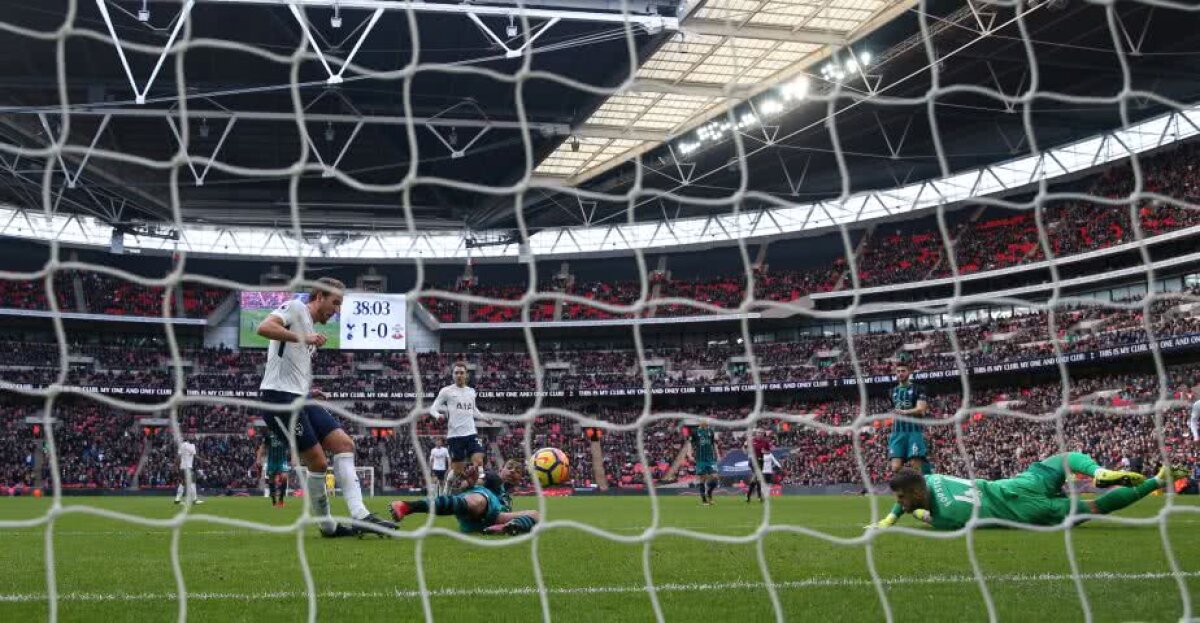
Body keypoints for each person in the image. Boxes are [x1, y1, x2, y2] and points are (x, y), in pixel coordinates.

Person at [256, 277, 394, 537]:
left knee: (345, 444)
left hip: (300, 397)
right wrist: (304, 337)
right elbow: (264, 328)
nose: (337, 310)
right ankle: (328, 527)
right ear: (319, 296)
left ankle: (361, 515)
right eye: (335, 302)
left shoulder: (311, 328)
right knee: (318, 463)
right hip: (278, 399)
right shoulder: (297, 309)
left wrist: (309, 392)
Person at [870, 452, 1180, 531]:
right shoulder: (933, 477)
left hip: (1026, 513)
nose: (898, 503)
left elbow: (923, 514)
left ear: (915, 492)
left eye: (900, 498)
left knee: (1096, 508)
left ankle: (1158, 481)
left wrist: (894, 518)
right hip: (1018, 484)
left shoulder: (946, 517)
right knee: (1063, 459)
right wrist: (895, 513)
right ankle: (1099, 471)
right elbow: (913, 497)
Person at [389, 459, 539, 536]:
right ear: (501, 469)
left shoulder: (507, 496)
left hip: (492, 519)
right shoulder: (492, 477)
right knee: (478, 501)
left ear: (520, 478)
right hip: (481, 505)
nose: (513, 471)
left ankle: (505, 528)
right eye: (510, 467)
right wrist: (469, 483)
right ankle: (407, 506)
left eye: (517, 470)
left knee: (536, 514)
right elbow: (469, 485)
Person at [430, 363, 485, 492]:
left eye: (461, 372)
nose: (459, 375)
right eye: (456, 373)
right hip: (455, 436)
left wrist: (484, 418)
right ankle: (447, 487)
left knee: (478, 459)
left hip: (471, 433)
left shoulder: (471, 392)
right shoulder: (446, 391)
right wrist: (438, 416)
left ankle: (481, 479)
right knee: (457, 471)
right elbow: (433, 408)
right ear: (453, 375)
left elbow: (474, 409)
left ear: (466, 375)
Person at [888, 362, 929, 474]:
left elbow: (921, 409)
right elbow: (894, 409)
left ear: (909, 372)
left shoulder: (918, 389)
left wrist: (904, 412)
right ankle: (913, 478)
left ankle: (921, 482)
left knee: (915, 465)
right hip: (897, 432)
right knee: (895, 468)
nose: (900, 373)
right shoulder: (892, 391)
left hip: (914, 432)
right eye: (898, 371)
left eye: (903, 371)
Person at [689, 421, 720, 506]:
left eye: (706, 424)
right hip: (700, 459)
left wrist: (718, 454)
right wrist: (689, 453)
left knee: (715, 477)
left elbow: (713, 444)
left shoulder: (710, 431)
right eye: (704, 424)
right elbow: (690, 443)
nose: (706, 425)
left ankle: (709, 493)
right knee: (702, 478)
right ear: (700, 424)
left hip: (710, 458)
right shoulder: (695, 432)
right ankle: (704, 500)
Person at [257, 434, 290, 507]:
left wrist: (293, 457)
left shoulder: (285, 433)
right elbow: (262, 447)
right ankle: (274, 500)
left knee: (284, 477)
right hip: (272, 461)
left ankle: (281, 499)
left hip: (282, 460)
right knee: (271, 480)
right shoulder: (268, 434)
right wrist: (258, 458)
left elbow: (293, 445)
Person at [173, 438, 202, 505]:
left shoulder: (182, 445)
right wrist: (203, 460)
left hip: (182, 467)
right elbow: (195, 456)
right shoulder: (192, 446)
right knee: (193, 483)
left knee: (182, 483)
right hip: (188, 467)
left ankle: (177, 499)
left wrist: (175, 465)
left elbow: (178, 456)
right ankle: (194, 500)